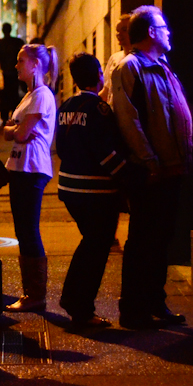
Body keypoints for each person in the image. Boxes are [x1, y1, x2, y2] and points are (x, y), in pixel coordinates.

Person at [112, 5, 193, 330]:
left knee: (161, 239)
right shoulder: (130, 68)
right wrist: (149, 161)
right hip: (151, 173)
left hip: (171, 170)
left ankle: (154, 302)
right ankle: (134, 310)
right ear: (150, 33)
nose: (169, 32)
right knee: (143, 241)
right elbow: (128, 120)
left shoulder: (161, 66)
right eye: (163, 27)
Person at [56, 53, 127, 328]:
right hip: (95, 191)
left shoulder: (66, 106)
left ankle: (75, 301)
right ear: (99, 74)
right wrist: (128, 176)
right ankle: (80, 306)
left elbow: (61, 148)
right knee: (96, 248)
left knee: (90, 244)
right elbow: (106, 153)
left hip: (69, 188)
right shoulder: (99, 109)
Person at [3, 43, 58, 312]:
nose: (16, 65)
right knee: (22, 230)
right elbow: (11, 131)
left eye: (20, 60)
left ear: (35, 64)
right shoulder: (29, 96)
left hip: (32, 168)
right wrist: (15, 129)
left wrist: (15, 129)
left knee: (28, 230)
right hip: (19, 167)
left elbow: (21, 133)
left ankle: (35, 295)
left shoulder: (41, 95)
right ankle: (31, 293)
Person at [0, 23, 23, 123]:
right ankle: (14, 115)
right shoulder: (17, 42)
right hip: (15, 73)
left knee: (4, 97)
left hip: (4, 74)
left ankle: (5, 117)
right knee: (14, 95)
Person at [100, 14, 131, 107]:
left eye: (124, 30)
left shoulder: (139, 59)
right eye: (117, 31)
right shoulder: (114, 58)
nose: (119, 34)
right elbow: (106, 91)